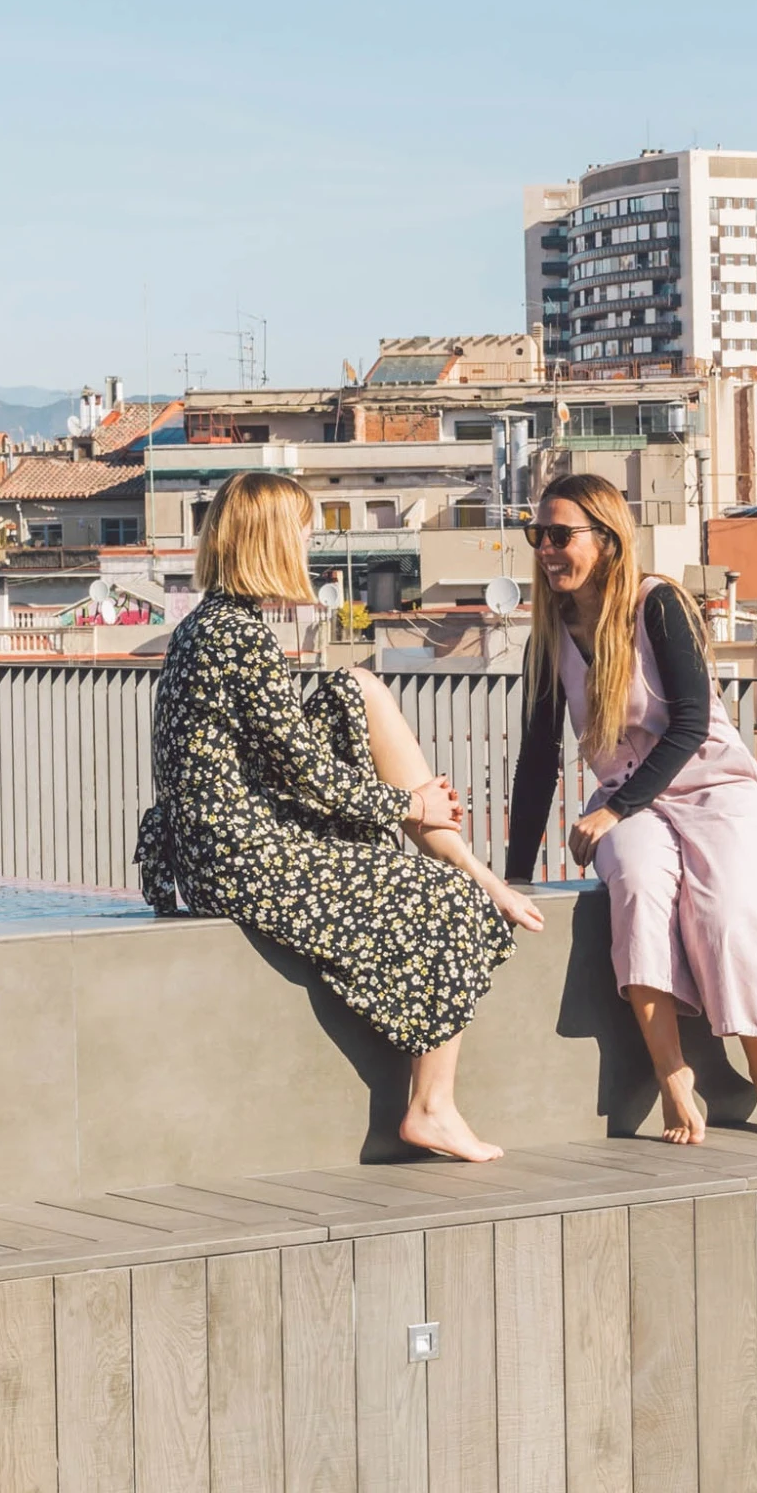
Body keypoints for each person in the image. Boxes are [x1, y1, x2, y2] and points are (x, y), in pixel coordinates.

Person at [134, 471, 543, 1163]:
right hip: (239, 860)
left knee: (355, 687)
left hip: (215, 849)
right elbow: (307, 775)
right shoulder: (237, 637)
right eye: (300, 528)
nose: (308, 541)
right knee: (447, 898)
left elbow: (285, 759)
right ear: (269, 541)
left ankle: (468, 863)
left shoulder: (210, 626)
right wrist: (409, 804)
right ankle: (431, 1106)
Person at [505, 472, 757, 1145]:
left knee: (726, 911)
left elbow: (691, 723)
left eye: (561, 535)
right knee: (636, 889)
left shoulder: (657, 604)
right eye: (538, 535)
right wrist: (512, 878)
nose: (547, 549)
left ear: (607, 540)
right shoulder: (547, 639)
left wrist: (615, 811)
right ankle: (672, 1075)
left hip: (711, 787)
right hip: (628, 803)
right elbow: (535, 763)